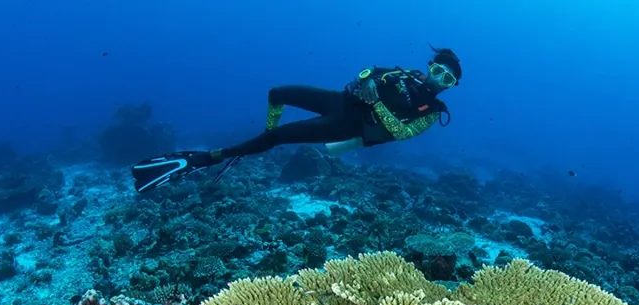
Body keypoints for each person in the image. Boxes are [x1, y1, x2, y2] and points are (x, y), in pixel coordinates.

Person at [131, 46, 461, 193]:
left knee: (277, 139)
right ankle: (264, 138)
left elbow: (401, 133)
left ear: (451, 87)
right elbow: (369, 71)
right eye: (437, 70)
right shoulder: (403, 74)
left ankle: (203, 159)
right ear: (429, 66)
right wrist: (363, 82)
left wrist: (376, 104)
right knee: (277, 92)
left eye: (446, 79)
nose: (437, 79)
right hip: (339, 101)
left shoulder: (433, 112)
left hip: (350, 127)